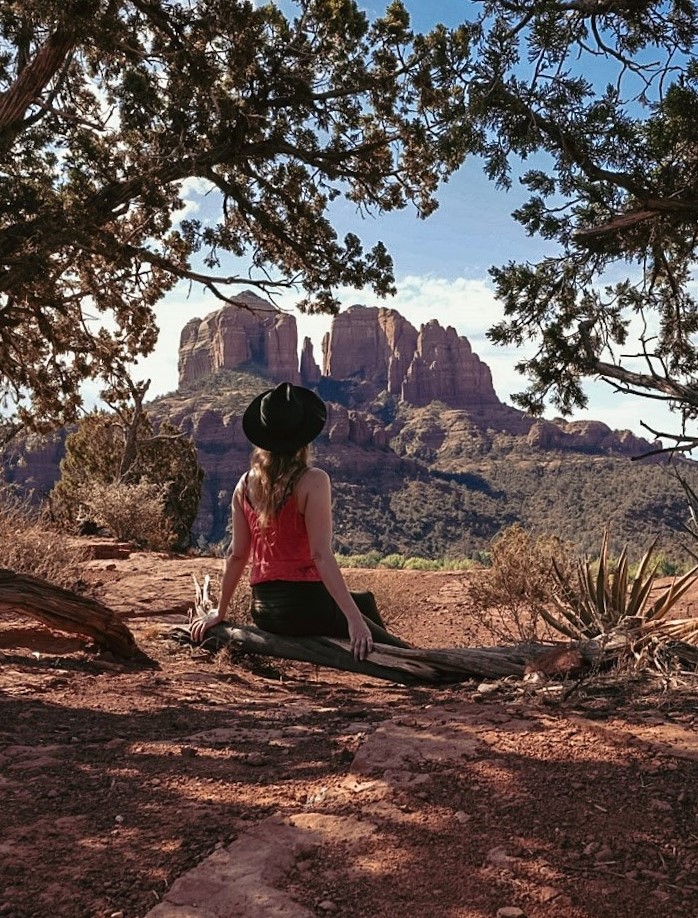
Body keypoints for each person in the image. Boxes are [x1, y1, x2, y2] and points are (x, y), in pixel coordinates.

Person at [190, 381, 410, 660]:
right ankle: (417, 664)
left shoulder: (243, 485)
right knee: (380, 634)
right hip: (306, 604)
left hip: (264, 609)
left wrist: (220, 611)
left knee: (364, 601)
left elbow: (236, 555)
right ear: (303, 437)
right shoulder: (313, 480)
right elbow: (320, 554)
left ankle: (379, 644)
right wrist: (354, 622)